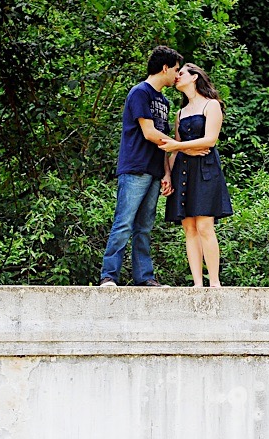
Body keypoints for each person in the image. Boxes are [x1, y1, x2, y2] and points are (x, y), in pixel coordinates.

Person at [99, 46, 190, 287]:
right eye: (176, 70)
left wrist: (167, 173)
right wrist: (186, 147)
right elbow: (150, 133)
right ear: (164, 68)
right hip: (135, 168)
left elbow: (164, 145)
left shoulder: (163, 101)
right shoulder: (140, 92)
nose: (177, 75)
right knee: (124, 222)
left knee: (145, 227)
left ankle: (144, 278)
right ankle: (109, 276)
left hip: (154, 170)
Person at [160, 63, 233, 287]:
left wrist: (179, 147)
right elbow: (177, 147)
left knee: (204, 226)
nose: (177, 77)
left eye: (181, 73)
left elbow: (210, 140)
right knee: (189, 227)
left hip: (206, 168)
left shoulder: (212, 105)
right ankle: (197, 284)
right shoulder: (179, 113)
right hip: (183, 169)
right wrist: (167, 175)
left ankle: (215, 283)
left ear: (194, 77)